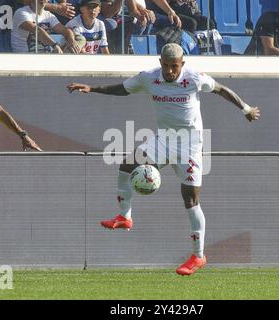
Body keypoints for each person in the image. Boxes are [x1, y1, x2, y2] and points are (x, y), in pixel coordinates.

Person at [66, 43, 260, 276]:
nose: (169, 71)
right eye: (166, 66)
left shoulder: (194, 78)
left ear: (182, 64)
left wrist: (246, 109)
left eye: (174, 66)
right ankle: (125, 217)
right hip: (163, 140)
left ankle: (198, 256)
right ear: (160, 63)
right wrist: (92, 88)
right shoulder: (149, 77)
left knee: (190, 200)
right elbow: (122, 89)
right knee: (127, 164)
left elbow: (220, 89)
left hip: (190, 145)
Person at [11, 0, 80, 53]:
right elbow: (37, 31)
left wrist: (71, 40)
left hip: (44, 58)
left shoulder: (49, 16)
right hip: (24, 59)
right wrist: (55, 45)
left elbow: (65, 30)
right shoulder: (21, 12)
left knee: (78, 41)